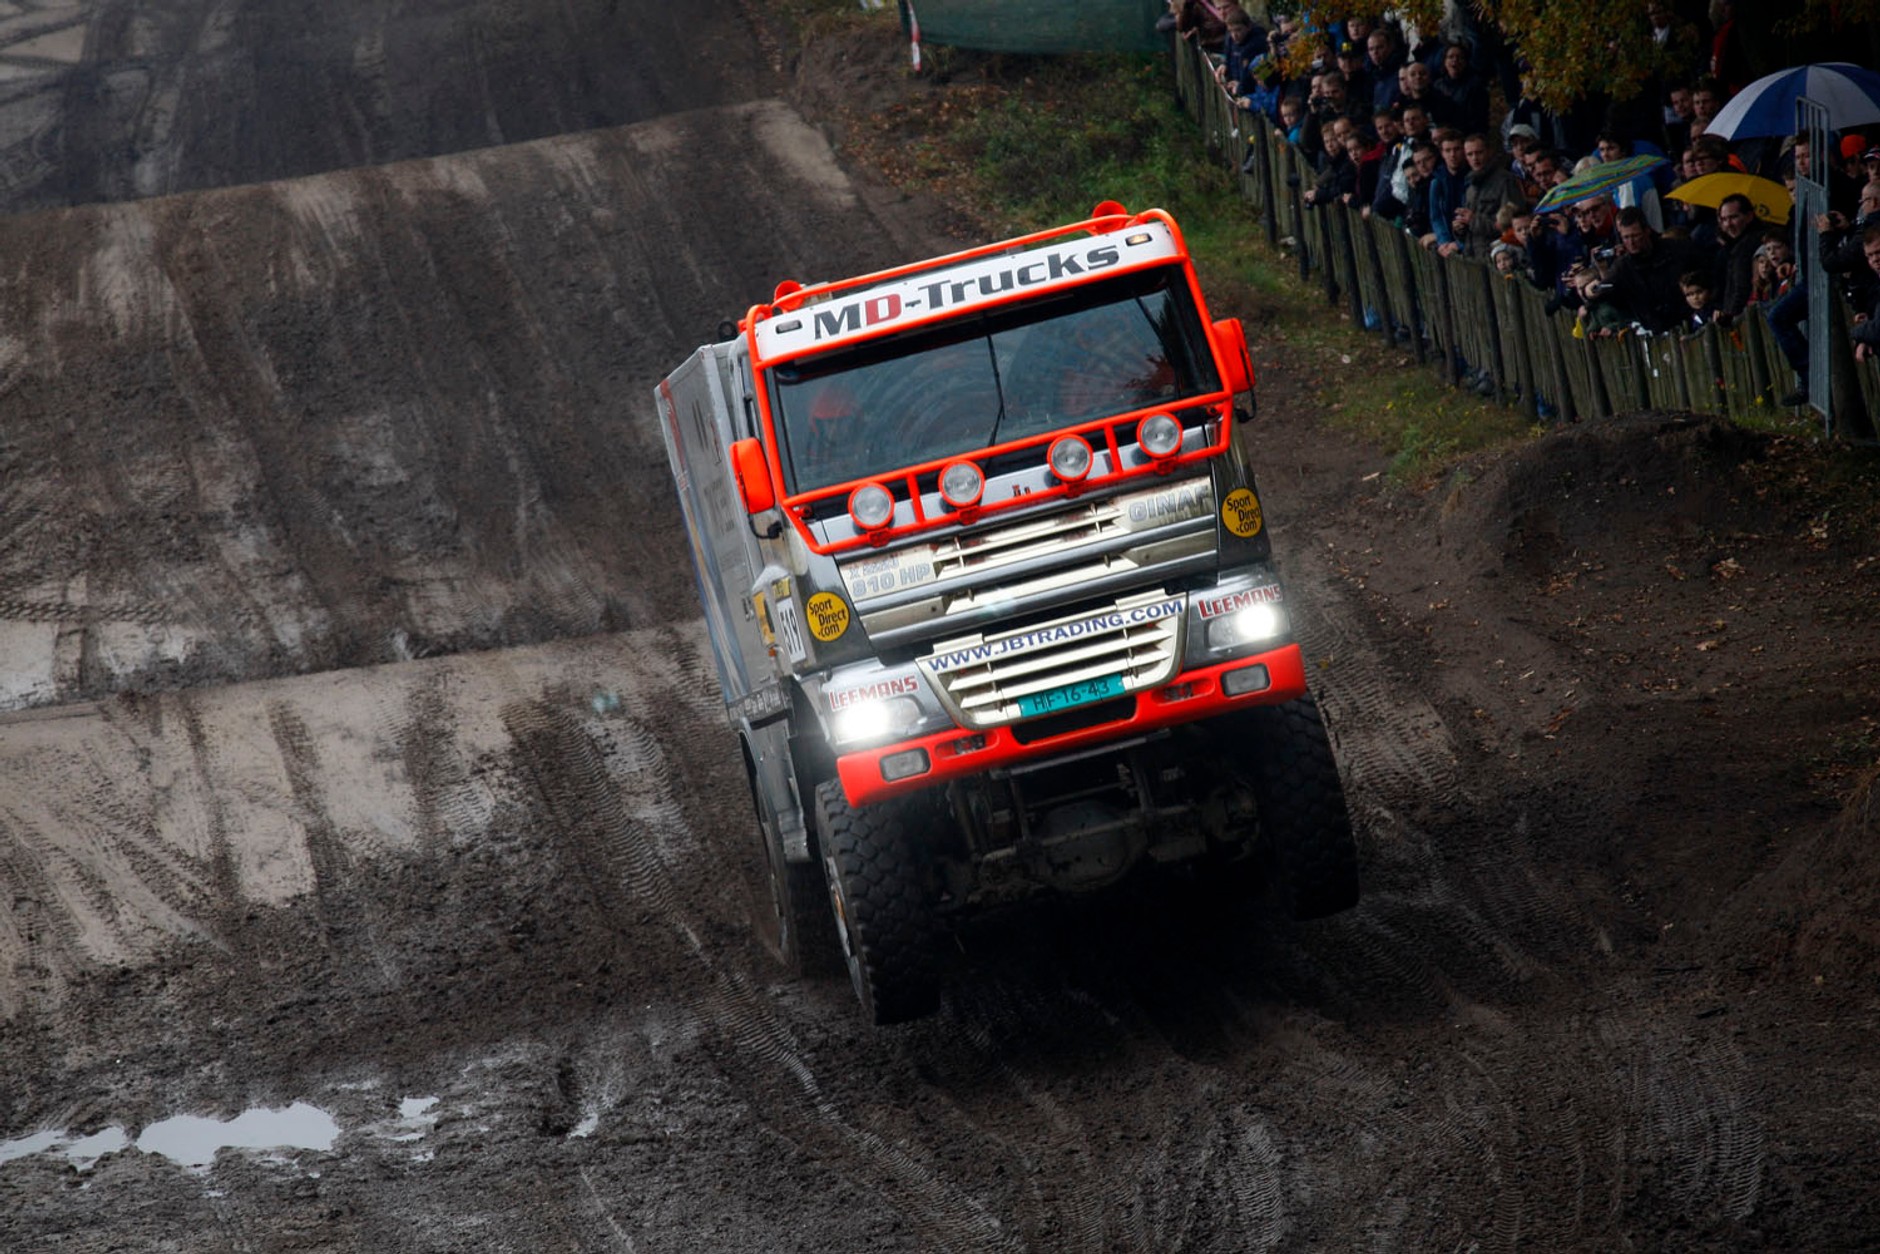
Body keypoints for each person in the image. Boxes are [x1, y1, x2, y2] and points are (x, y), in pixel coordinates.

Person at [1590, 205, 1697, 332]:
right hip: (1654, 329)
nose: (1631, 242)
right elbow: (1607, 290)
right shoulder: (1623, 266)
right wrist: (1590, 290)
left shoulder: (1675, 250)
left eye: (1635, 236)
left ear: (1647, 231)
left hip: (1687, 321)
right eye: (1626, 237)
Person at [1452, 132, 1527, 259]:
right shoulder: (1470, 185)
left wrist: (1474, 220)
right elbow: (1469, 228)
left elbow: (1511, 226)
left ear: (1488, 151)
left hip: (1499, 257)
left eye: (1479, 152)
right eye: (1470, 154)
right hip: (1473, 257)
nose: (1475, 158)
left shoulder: (1505, 181)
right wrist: (1459, 228)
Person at [1709, 193, 1768, 320]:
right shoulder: (1733, 247)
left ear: (1749, 216)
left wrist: (1730, 315)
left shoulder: (1749, 245)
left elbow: (1741, 286)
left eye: (1733, 217)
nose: (1728, 224)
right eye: (1724, 219)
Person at [1431, 41, 1490, 137]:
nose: (1455, 60)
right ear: (1444, 61)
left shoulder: (1475, 85)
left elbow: (1479, 119)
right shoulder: (1437, 86)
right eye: (1450, 57)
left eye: (1459, 57)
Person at [1427, 129, 1470, 256]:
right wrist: (1444, 240)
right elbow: (1436, 216)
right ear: (1442, 153)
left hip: (1468, 242)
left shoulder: (1472, 178)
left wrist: (1459, 244)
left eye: (1457, 149)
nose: (1452, 155)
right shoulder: (1437, 181)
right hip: (1448, 244)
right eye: (1448, 150)